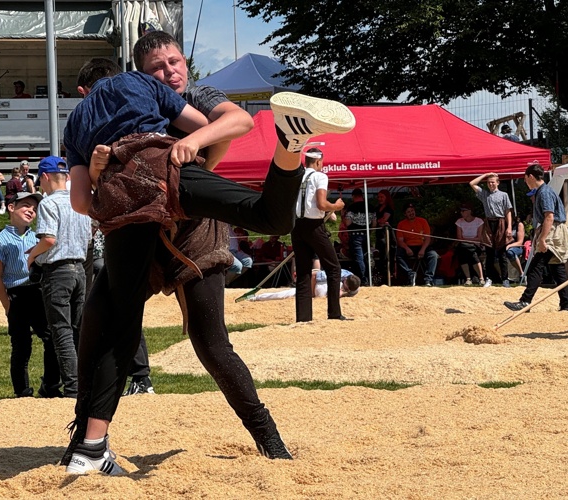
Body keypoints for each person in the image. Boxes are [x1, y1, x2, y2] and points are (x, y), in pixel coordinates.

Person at [60, 54, 354, 474]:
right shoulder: (150, 90)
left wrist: (104, 165)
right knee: (103, 319)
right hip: (165, 189)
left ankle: (265, 439)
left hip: (176, 225)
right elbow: (224, 130)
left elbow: (231, 124)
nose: (169, 72)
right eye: (158, 67)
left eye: (174, 62)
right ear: (138, 71)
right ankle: (86, 444)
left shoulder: (191, 94)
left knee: (176, 336)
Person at [27, 156, 92, 398]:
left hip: (57, 272)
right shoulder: (80, 200)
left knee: (60, 330)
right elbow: (87, 240)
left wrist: (32, 256)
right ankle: (68, 383)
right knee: (76, 330)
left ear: (44, 177)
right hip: (79, 269)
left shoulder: (48, 203)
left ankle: (73, 387)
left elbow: (49, 239)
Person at [0, 191, 63, 398]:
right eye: (26, 205)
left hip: (38, 293)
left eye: (34, 208)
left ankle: (50, 385)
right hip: (16, 295)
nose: (31, 210)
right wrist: (7, 305)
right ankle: (22, 391)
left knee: (50, 339)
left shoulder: (38, 237)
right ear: (11, 208)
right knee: (21, 345)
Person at [504, 162, 568, 312]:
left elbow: (549, 217)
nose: (525, 182)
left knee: (536, 266)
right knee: (557, 269)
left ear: (530, 176)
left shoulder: (544, 192)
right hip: (553, 230)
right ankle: (566, 304)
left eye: (525, 178)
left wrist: (542, 239)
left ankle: (525, 301)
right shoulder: (544, 191)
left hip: (552, 231)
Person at [292, 147, 348, 321]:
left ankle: (303, 317)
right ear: (317, 161)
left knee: (303, 272)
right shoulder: (320, 176)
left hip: (296, 225)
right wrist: (336, 207)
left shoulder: (296, 176)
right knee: (333, 268)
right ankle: (334, 313)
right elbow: (322, 204)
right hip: (313, 225)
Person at [469, 172, 513, 288]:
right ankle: (489, 278)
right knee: (489, 253)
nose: (491, 184)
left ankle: (505, 279)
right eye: (489, 182)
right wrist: (485, 175)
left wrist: (508, 227)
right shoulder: (484, 194)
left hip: (500, 222)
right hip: (488, 223)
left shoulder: (504, 195)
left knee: (502, 253)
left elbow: (508, 211)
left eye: (493, 182)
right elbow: (472, 183)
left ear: (497, 183)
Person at [250, 267, 360, 301]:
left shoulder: (354, 288)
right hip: (314, 280)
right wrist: (311, 292)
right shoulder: (337, 275)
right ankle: (256, 298)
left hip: (319, 285)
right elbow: (315, 275)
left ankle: (256, 298)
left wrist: (343, 292)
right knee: (285, 293)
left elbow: (346, 291)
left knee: (287, 293)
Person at [395, 204, 439, 286]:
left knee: (433, 255)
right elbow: (400, 241)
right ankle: (410, 273)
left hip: (422, 245)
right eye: (408, 212)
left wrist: (423, 250)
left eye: (412, 211)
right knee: (398, 254)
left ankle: (428, 279)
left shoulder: (422, 221)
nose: (411, 213)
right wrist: (407, 248)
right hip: (409, 246)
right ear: (405, 214)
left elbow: (427, 238)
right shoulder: (401, 224)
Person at [343, 187, 372, 286]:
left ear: (353, 196)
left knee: (359, 258)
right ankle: (369, 277)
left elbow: (347, 222)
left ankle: (363, 279)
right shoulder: (370, 206)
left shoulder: (352, 207)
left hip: (355, 235)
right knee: (367, 257)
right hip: (367, 234)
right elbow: (375, 222)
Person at [455, 204, 486, 285]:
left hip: (475, 246)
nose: (461, 213)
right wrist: (468, 240)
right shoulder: (459, 222)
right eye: (461, 211)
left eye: (463, 211)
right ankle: (469, 278)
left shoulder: (479, 221)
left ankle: (481, 278)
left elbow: (479, 238)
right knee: (463, 252)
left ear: (469, 211)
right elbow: (459, 238)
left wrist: (467, 240)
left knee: (471, 253)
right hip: (464, 246)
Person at [374, 189, 395, 272]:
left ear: (386, 198)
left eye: (382, 197)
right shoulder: (377, 208)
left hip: (387, 234)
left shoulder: (389, 208)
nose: (380, 199)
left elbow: (383, 220)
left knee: (386, 252)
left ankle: (388, 271)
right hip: (379, 233)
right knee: (379, 251)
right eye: (378, 197)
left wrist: (377, 221)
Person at [504, 211, 527, 279]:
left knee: (510, 252)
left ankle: (521, 273)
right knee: (496, 254)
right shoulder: (503, 225)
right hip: (504, 246)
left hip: (517, 247)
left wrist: (509, 246)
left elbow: (520, 242)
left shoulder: (519, 225)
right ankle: (504, 276)